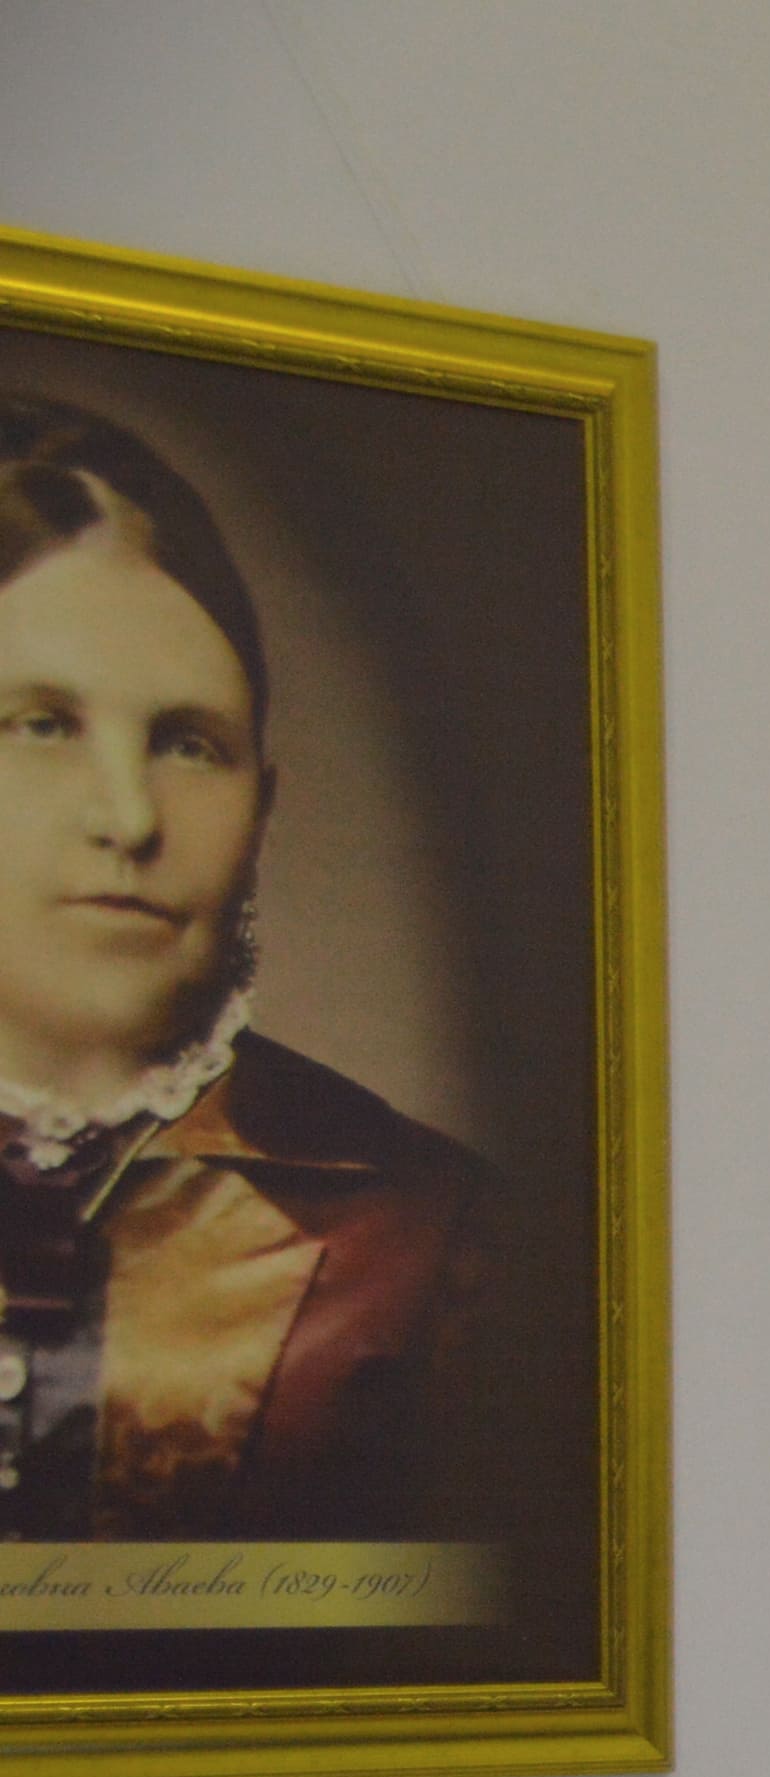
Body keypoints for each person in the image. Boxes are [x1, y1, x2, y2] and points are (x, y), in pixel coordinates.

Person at [0, 393, 488, 1541]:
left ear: (261, 807)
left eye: (189, 744)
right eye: (41, 724)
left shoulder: (439, 1247)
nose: (130, 817)